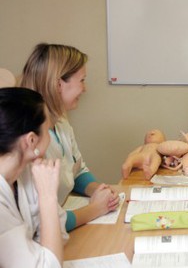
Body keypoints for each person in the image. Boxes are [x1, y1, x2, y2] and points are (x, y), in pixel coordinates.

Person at [20, 43, 120, 232]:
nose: (85, 88)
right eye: (82, 80)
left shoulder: (61, 123)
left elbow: (77, 169)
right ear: (58, 84)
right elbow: (44, 222)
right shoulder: (32, 142)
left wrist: (99, 190)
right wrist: (97, 208)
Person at [0, 87, 68, 267]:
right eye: (47, 129)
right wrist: (47, 197)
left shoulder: (26, 172)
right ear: (31, 140)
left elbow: (60, 234)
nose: (50, 134)